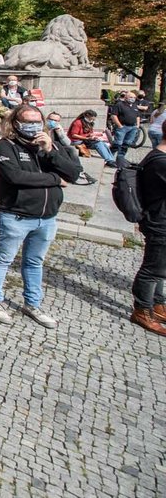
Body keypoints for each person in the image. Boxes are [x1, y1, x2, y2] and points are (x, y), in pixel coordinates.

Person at [0, 105, 81, 328]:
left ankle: (32, 303)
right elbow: (15, 177)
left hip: (46, 218)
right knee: (3, 259)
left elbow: (74, 173)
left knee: (34, 262)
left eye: (37, 121)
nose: (34, 126)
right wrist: (55, 180)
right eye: (28, 121)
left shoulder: (49, 145)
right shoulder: (6, 146)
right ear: (16, 123)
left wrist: (51, 151)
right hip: (16, 215)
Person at [130, 137, 166, 336]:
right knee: (152, 269)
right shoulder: (160, 162)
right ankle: (142, 310)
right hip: (160, 221)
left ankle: (157, 304)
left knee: (160, 268)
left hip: (160, 219)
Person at [46, 112, 96, 185]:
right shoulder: (43, 127)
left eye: (56, 121)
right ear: (47, 119)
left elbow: (67, 142)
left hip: (57, 146)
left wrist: (60, 133)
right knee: (62, 152)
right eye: (51, 119)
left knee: (71, 149)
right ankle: (75, 173)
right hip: (49, 147)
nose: (53, 122)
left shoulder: (58, 127)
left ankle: (79, 171)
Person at [109, 90, 142, 160]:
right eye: (131, 97)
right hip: (123, 127)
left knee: (127, 144)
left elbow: (138, 116)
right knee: (117, 143)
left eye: (134, 97)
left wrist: (137, 125)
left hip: (133, 127)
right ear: (126, 97)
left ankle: (120, 158)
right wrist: (119, 125)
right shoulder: (119, 104)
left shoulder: (135, 105)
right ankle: (109, 158)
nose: (133, 98)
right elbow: (113, 115)